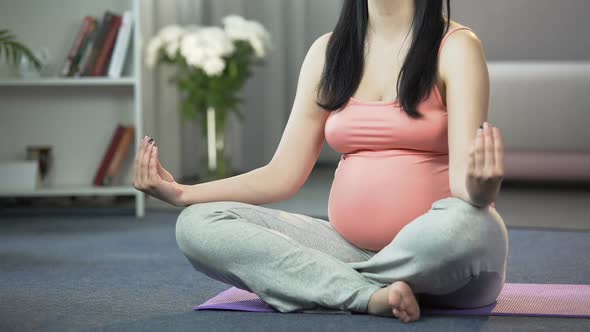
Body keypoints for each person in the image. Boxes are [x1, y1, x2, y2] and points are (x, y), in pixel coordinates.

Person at [133, 0, 508, 324]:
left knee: (470, 226)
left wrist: (481, 187)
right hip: (348, 247)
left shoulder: (457, 47)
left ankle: (328, 284)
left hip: (441, 253)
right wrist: (184, 193)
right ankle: (368, 296)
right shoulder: (328, 53)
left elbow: (464, 187)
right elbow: (283, 174)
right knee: (197, 224)